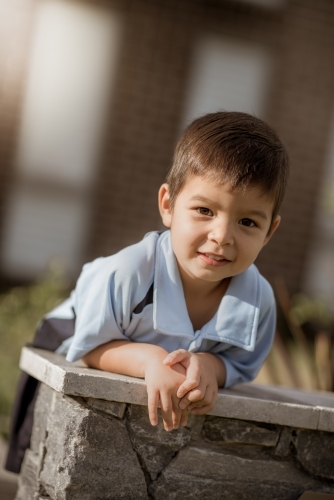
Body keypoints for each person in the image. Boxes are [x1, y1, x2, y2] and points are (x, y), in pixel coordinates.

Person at [6, 111, 289, 472]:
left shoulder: (257, 301)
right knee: (39, 467)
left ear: (270, 231)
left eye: (247, 221)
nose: (222, 236)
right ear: (168, 205)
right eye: (204, 210)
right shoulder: (128, 273)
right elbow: (90, 347)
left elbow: (239, 365)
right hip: (71, 336)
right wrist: (151, 360)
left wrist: (208, 365)